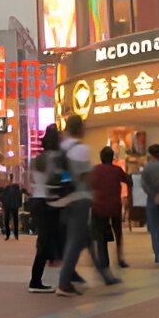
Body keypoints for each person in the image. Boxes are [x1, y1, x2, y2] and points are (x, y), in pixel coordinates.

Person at [53, 115, 96, 298]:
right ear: (80, 129)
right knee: (75, 240)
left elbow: (60, 174)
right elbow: (86, 177)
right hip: (80, 198)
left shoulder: (61, 148)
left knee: (79, 237)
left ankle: (74, 275)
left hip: (65, 198)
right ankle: (64, 282)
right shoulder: (81, 149)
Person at [28, 126, 60, 293]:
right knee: (50, 240)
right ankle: (35, 281)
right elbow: (59, 179)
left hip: (36, 201)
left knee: (45, 239)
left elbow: (30, 183)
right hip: (51, 202)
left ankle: (37, 278)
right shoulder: (55, 159)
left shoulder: (35, 159)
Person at [90, 145, 129, 283]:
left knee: (100, 238)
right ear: (112, 157)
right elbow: (128, 181)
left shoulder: (94, 170)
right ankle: (120, 258)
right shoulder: (117, 170)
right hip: (114, 207)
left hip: (98, 207)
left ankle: (104, 264)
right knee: (118, 233)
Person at [0, 174, 22, 241]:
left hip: (13, 205)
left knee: (14, 220)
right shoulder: (6, 188)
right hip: (9, 206)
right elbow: (3, 197)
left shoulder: (16, 187)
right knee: (7, 220)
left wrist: (19, 204)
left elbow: (19, 196)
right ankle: (9, 234)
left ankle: (15, 235)